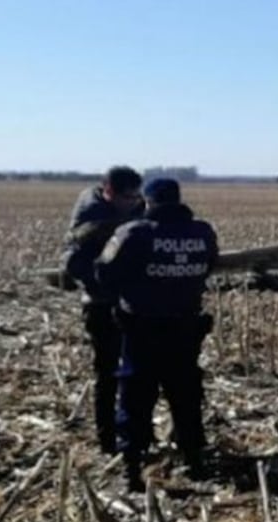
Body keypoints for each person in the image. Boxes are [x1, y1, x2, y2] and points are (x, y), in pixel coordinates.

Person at [94, 178, 219, 492]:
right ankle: (194, 459)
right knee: (186, 394)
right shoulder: (202, 233)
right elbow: (209, 266)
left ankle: (132, 466)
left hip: (141, 330)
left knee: (135, 397)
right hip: (185, 329)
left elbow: (104, 273)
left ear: (147, 202)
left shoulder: (134, 233)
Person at [64, 166, 145, 454]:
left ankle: (135, 435)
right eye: (128, 197)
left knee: (136, 374)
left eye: (137, 196)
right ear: (109, 191)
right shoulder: (90, 216)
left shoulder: (138, 208)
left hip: (133, 306)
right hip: (102, 306)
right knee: (108, 375)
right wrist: (108, 282)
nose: (134, 202)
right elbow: (74, 264)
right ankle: (107, 440)